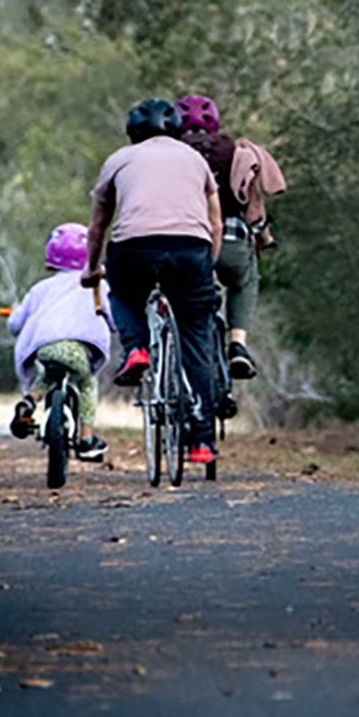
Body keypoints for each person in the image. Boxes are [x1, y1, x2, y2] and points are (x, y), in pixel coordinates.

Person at [82, 98, 223, 465]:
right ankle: (202, 443)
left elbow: (98, 224)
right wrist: (209, 265)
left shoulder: (118, 160)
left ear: (133, 132)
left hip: (133, 250)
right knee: (196, 340)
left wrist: (91, 267)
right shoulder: (196, 161)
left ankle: (136, 348)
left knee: (124, 295)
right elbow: (216, 221)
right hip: (191, 251)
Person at [174, 95, 286, 381]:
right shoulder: (237, 152)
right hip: (231, 243)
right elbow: (254, 210)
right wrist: (262, 234)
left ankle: (170, 348)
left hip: (184, 242)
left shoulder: (167, 155)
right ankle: (237, 344)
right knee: (244, 280)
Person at [4, 222, 111, 462]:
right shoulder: (97, 284)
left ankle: (29, 404)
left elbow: (15, 324)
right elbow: (113, 316)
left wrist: (12, 314)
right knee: (86, 383)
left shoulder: (40, 288)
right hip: (76, 350)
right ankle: (86, 440)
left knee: (49, 376)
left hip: (44, 348)